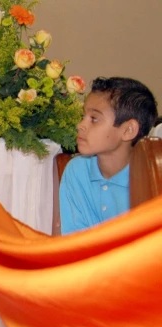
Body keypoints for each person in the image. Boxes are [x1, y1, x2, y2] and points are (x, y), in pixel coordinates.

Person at [60, 77, 158, 234]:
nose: (80, 126)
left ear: (128, 130)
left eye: (94, 119)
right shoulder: (77, 170)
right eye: (83, 116)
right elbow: (74, 238)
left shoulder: (150, 178)